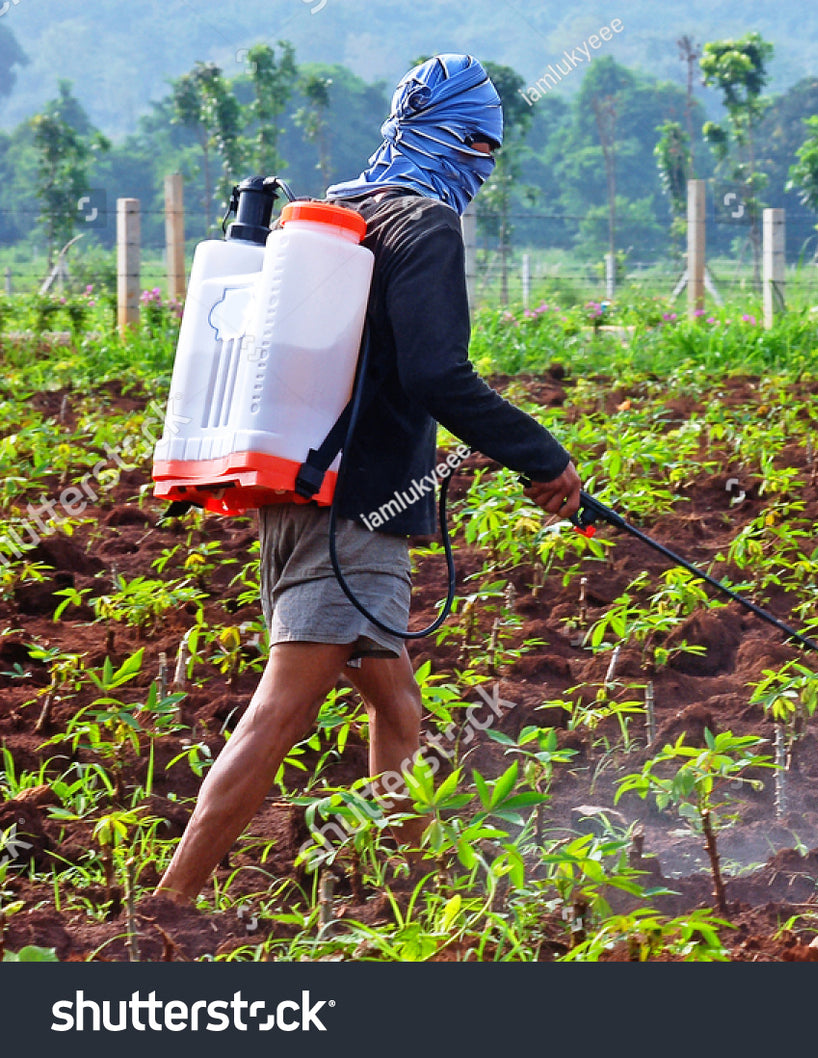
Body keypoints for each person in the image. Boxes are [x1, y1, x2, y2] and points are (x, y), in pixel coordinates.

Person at [157, 54, 580, 904]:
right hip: (358, 512)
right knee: (283, 712)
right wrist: (543, 459)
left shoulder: (342, 214)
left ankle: (408, 888)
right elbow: (437, 376)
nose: (482, 166)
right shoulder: (421, 224)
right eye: (479, 145)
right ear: (450, 136)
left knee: (396, 702)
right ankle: (166, 906)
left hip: (292, 488)